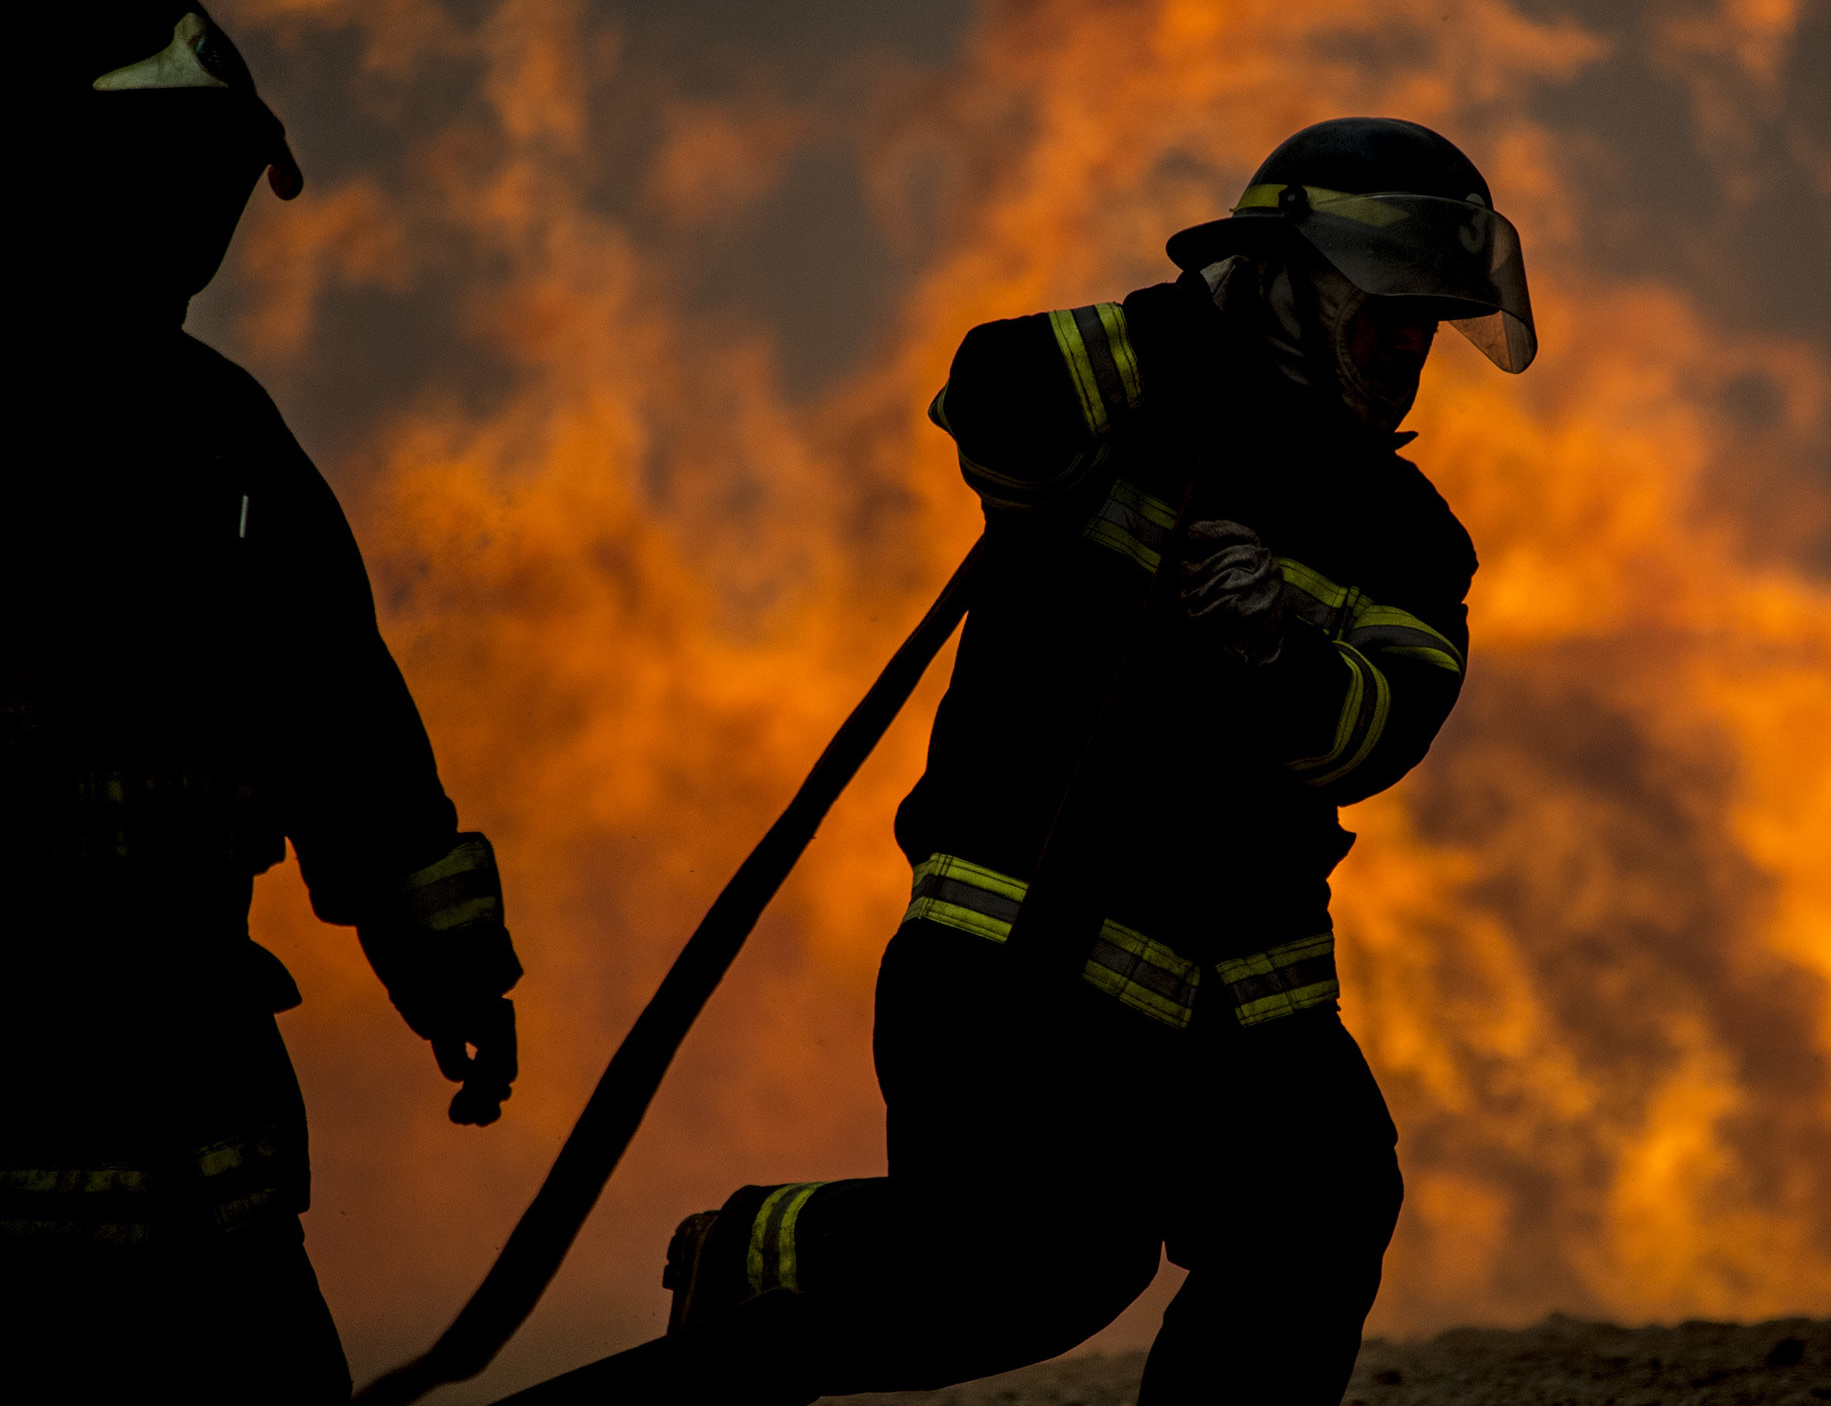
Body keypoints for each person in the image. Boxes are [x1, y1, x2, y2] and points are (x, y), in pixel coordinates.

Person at [525, 115, 1534, 1406]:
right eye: (1387, 304)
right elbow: (991, 394)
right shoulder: (1133, 405)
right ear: (1284, 278)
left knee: (1318, 1212)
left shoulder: (1407, 532)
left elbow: (1375, 737)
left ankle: (775, 1254)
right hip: (1028, 956)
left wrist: (1278, 647)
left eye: (1434, 316)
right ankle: (756, 1265)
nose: (1410, 341)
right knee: (1031, 1274)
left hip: (1247, 991)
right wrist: (1190, 335)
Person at [0, 9, 523, 1402]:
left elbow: (343, 717)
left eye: (210, 182)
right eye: (167, 175)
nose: (194, 223)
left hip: (192, 1077)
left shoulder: (218, 430)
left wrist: (448, 963)